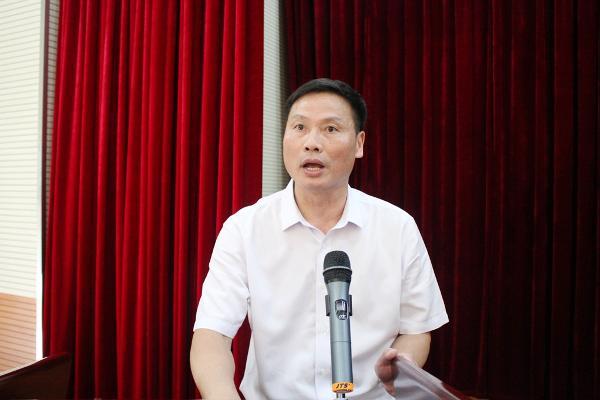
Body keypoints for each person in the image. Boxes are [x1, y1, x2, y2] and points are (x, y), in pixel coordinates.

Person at [190, 78, 449, 399]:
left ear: (359, 143)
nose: (311, 143)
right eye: (299, 127)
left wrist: (401, 365)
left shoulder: (398, 228)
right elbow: (212, 336)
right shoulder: (244, 229)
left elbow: (416, 329)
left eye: (330, 129)